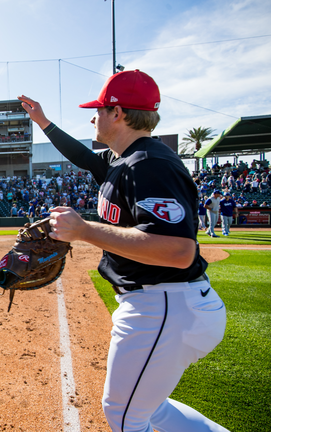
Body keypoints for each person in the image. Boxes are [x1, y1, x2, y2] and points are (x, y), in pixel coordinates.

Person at [19, 69, 228, 432]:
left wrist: (84, 230)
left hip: (165, 303)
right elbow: (85, 157)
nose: (92, 116)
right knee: (150, 407)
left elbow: (180, 251)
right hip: (163, 303)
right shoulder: (125, 160)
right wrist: (43, 122)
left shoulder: (150, 164)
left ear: (118, 113)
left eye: (99, 109)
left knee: (124, 415)